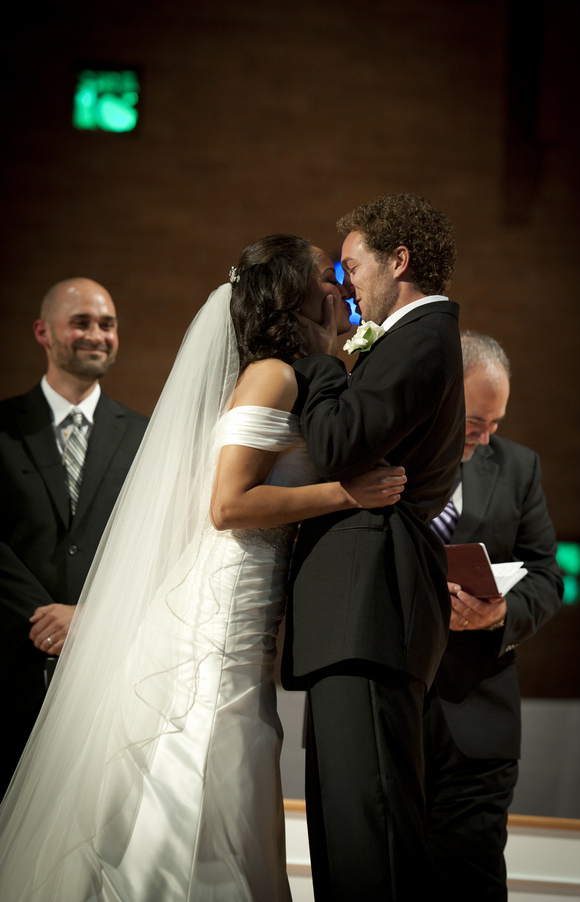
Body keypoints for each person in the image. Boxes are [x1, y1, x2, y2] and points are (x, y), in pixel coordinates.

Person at [0, 235, 406, 902]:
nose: (336, 281)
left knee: (235, 746)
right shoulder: (271, 374)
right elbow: (226, 504)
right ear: (293, 292)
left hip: (252, 597)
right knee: (211, 738)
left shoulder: (292, 370)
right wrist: (344, 493)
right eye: (323, 272)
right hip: (224, 602)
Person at [282, 193, 465, 901]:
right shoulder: (408, 340)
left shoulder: (421, 337)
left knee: (374, 837)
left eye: (354, 267)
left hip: (372, 611)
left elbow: (334, 443)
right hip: (356, 615)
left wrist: (321, 363)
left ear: (400, 261)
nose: (346, 284)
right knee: (343, 834)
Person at [425, 331, 563, 901]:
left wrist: (499, 613)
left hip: (478, 720)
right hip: (387, 713)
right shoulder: (382, 461)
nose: (484, 441)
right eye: (475, 423)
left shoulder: (518, 468)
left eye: (495, 426)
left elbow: (548, 576)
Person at [0, 278, 148, 795]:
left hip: (104, 667)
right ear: (43, 331)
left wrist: (90, 618)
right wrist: (43, 617)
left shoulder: (144, 436)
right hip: (9, 659)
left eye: (106, 324)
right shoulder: (3, 425)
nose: (96, 335)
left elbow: (148, 544)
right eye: (80, 322)